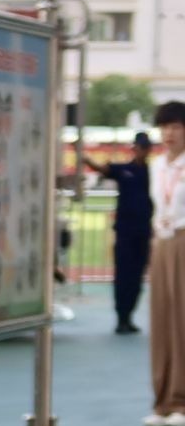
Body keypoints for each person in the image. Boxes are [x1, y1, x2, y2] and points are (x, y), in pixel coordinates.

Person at [88, 132, 154, 335]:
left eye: (144, 147)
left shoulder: (153, 173)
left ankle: (130, 316)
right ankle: (121, 317)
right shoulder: (124, 169)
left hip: (144, 232)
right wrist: (84, 156)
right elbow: (103, 169)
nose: (141, 151)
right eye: (138, 147)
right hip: (125, 231)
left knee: (137, 276)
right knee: (123, 275)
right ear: (134, 149)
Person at [149, 103, 185, 426]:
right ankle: (162, 400)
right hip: (162, 240)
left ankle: (181, 400)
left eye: (175, 127)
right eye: (164, 127)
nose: (168, 134)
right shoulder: (157, 165)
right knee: (160, 319)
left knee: (182, 319)